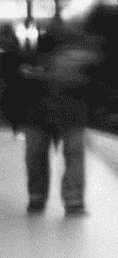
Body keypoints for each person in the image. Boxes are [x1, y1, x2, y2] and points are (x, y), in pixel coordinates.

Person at [14, 27, 96, 215]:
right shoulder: (77, 60)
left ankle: (40, 198)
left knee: (37, 156)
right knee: (70, 156)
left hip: (56, 115)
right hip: (58, 115)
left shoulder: (34, 62)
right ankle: (71, 200)